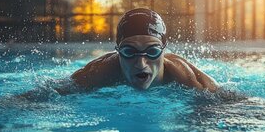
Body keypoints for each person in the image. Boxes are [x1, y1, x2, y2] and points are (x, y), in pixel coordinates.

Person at [35, 8, 218, 95]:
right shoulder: (99, 71)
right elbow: (50, 92)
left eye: (152, 51)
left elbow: (229, 101)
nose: (141, 64)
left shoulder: (183, 75)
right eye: (129, 52)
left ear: (163, 50)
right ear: (117, 51)